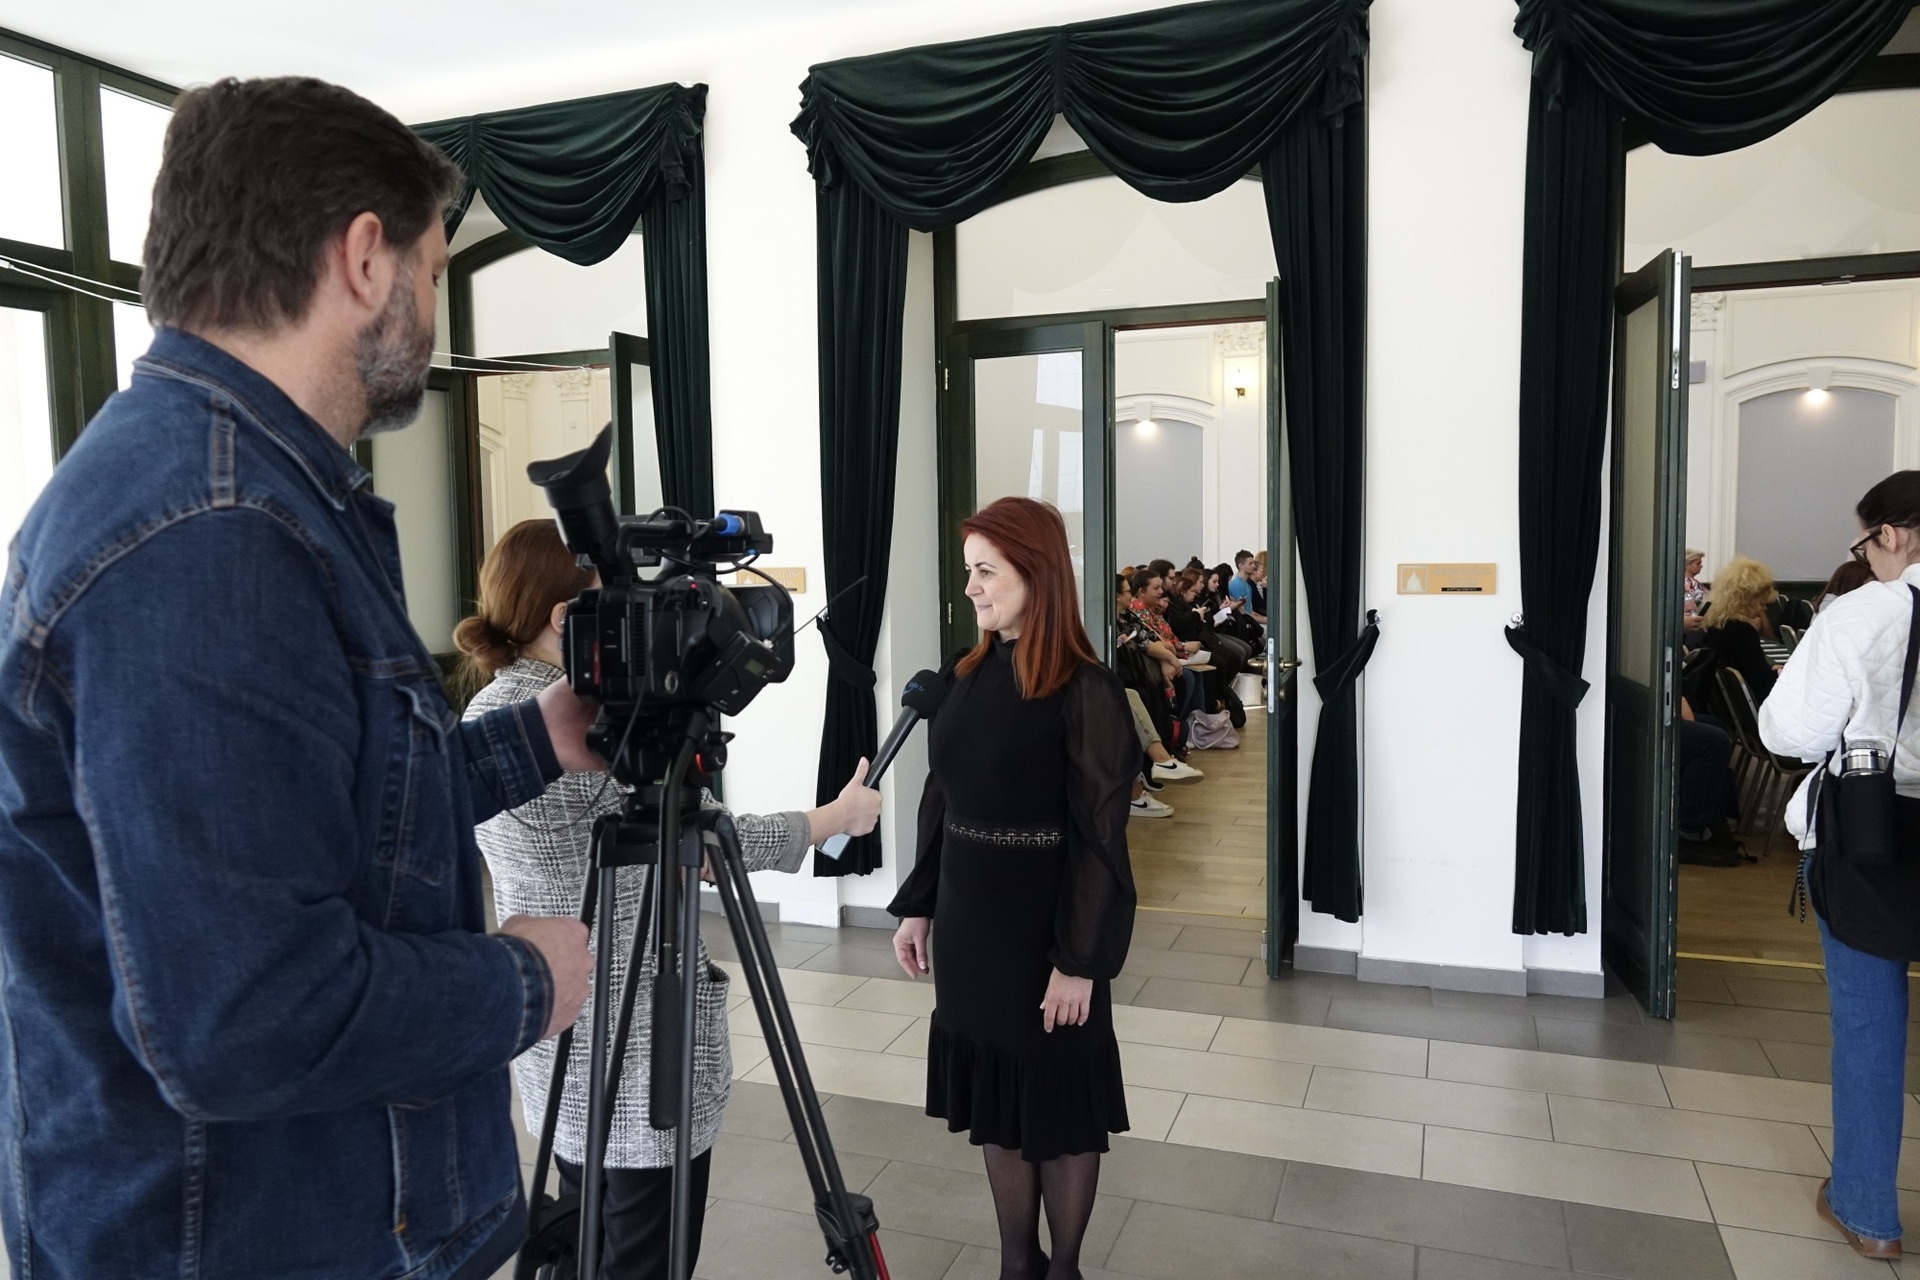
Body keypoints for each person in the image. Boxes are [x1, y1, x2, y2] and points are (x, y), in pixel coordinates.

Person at [0, 78, 595, 1279]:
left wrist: (541, 736)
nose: (432, 310)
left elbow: (336, 815)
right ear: (366, 258)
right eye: (435, 270)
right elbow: (248, 1013)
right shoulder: (210, 533)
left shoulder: (237, 489)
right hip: (254, 1236)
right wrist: (526, 981)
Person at [455, 520, 881, 1280]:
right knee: (642, 1259)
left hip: (564, 1043)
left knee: (587, 1241)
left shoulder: (491, 712)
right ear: (566, 617)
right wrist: (835, 818)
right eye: (613, 605)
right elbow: (709, 843)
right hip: (638, 1053)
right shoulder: (570, 728)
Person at [889, 496, 1137, 1280]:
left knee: (1058, 1106)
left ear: (1037, 574)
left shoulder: (1086, 690)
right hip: (971, 928)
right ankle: (1015, 1262)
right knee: (997, 1095)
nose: (971, 587)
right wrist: (919, 904)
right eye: (969, 571)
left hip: (1044, 932)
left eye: (986, 571)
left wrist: (1078, 961)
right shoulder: (961, 677)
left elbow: (1101, 840)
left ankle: (1064, 1268)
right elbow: (941, 797)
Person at [1761, 470, 1920, 1260]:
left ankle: (1868, 1211)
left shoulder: (1865, 615)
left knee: (1868, 1018)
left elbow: (1787, 731)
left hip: (1872, 832)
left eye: (1865, 544)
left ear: (1890, 534)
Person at [1701, 556, 1782, 704]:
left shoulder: (1716, 626)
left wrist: (1769, 669)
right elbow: (1761, 684)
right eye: (1762, 604)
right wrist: (1779, 673)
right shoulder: (1743, 632)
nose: (1763, 609)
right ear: (1747, 599)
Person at [1683, 548, 1708, 635]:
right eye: (1698, 563)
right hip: (1695, 624)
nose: (1701, 566)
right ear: (1687, 565)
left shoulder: (1696, 583)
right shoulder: (1688, 584)